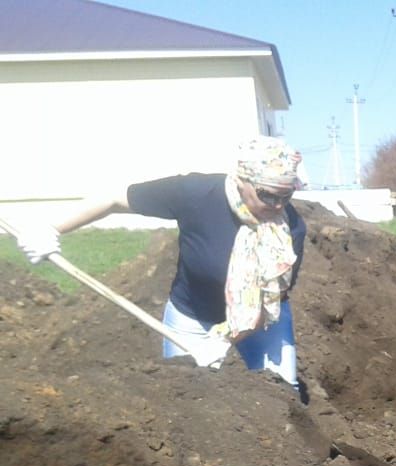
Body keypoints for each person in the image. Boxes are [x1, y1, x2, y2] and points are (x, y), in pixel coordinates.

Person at [15, 136, 307, 392]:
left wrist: (223, 339)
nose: (279, 205)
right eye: (268, 194)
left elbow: (269, 301)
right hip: (193, 315)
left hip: (261, 321)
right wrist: (51, 228)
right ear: (242, 180)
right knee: (187, 394)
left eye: (287, 195)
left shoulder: (289, 229)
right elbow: (115, 198)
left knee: (282, 394)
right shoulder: (196, 194)